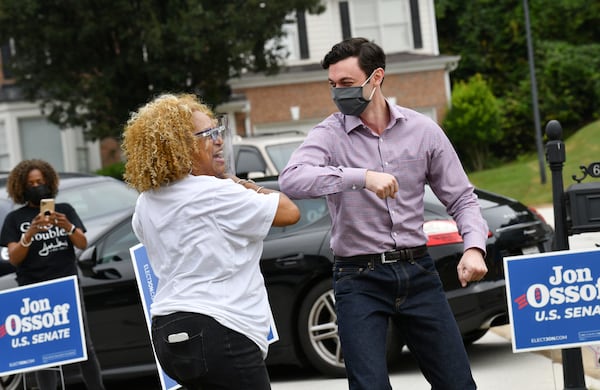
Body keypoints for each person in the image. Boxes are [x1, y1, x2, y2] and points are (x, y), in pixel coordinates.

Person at [278, 37, 489, 390]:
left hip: (418, 271)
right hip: (358, 277)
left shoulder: (423, 131)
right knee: (369, 386)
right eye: (332, 85)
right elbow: (292, 179)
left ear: (376, 77)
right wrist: (361, 178)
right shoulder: (329, 135)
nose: (337, 93)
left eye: (346, 84)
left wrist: (474, 247)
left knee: (458, 384)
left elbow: (463, 199)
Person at [121, 93, 300, 390]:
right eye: (208, 135)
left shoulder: (146, 202)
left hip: (168, 328)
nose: (218, 141)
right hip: (220, 324)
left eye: (218, 132)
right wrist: (243, 184)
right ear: (180, 145)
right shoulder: (215, 192)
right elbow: (289, 212)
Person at [0, 159, 106, 390]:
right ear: (21, 187)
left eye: (41, 181)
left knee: (83, 347)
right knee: (45, 354)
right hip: (35, 290)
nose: (37, 186)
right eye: (31, 183)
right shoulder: (14, 219)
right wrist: (30, 234)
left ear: (49, 182)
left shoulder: (64, 210)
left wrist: (67, 226)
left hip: (67, 286)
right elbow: (14, 257)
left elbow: (82, 242)